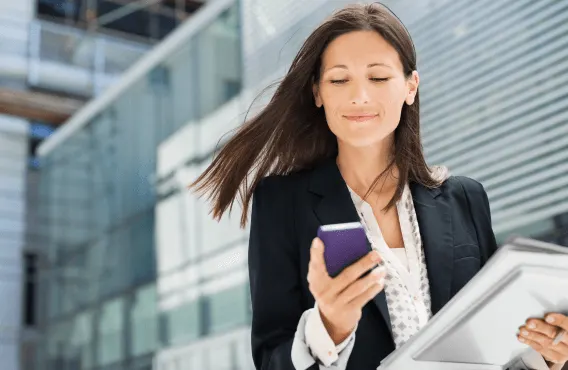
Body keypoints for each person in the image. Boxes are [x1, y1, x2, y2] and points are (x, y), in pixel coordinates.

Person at [189, 3, 568, 370]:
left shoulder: (464, 198)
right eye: (339, 79)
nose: (360, 96)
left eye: (379, 77)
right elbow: (272, 360)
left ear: (410, 86)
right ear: (318, 92)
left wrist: (543, 355)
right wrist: (329, 328)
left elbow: (490, 346)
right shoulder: (283, 203)